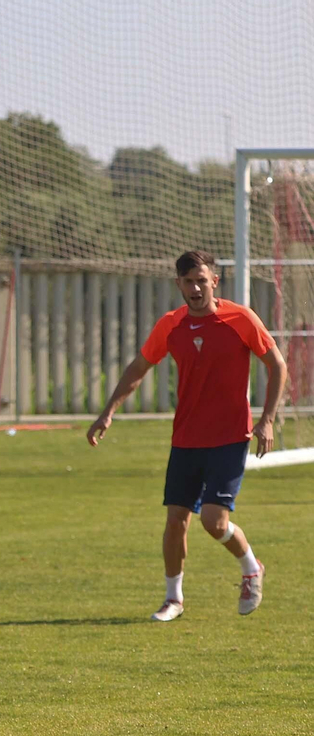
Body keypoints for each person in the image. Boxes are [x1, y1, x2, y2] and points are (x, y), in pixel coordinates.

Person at [88, 249, 285, 621]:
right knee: (176, 518)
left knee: (214, 522)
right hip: (186, 438)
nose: (195, 289)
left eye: (201, 281)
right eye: (188, 282)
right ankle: (173, 599)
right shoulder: (171, 324)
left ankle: (250, 567)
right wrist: (108, 411)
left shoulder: (240, 319)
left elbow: (277, 364)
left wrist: (267, 419)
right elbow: (139, 367)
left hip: (230, 436)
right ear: (178, 283)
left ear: (215, 281)